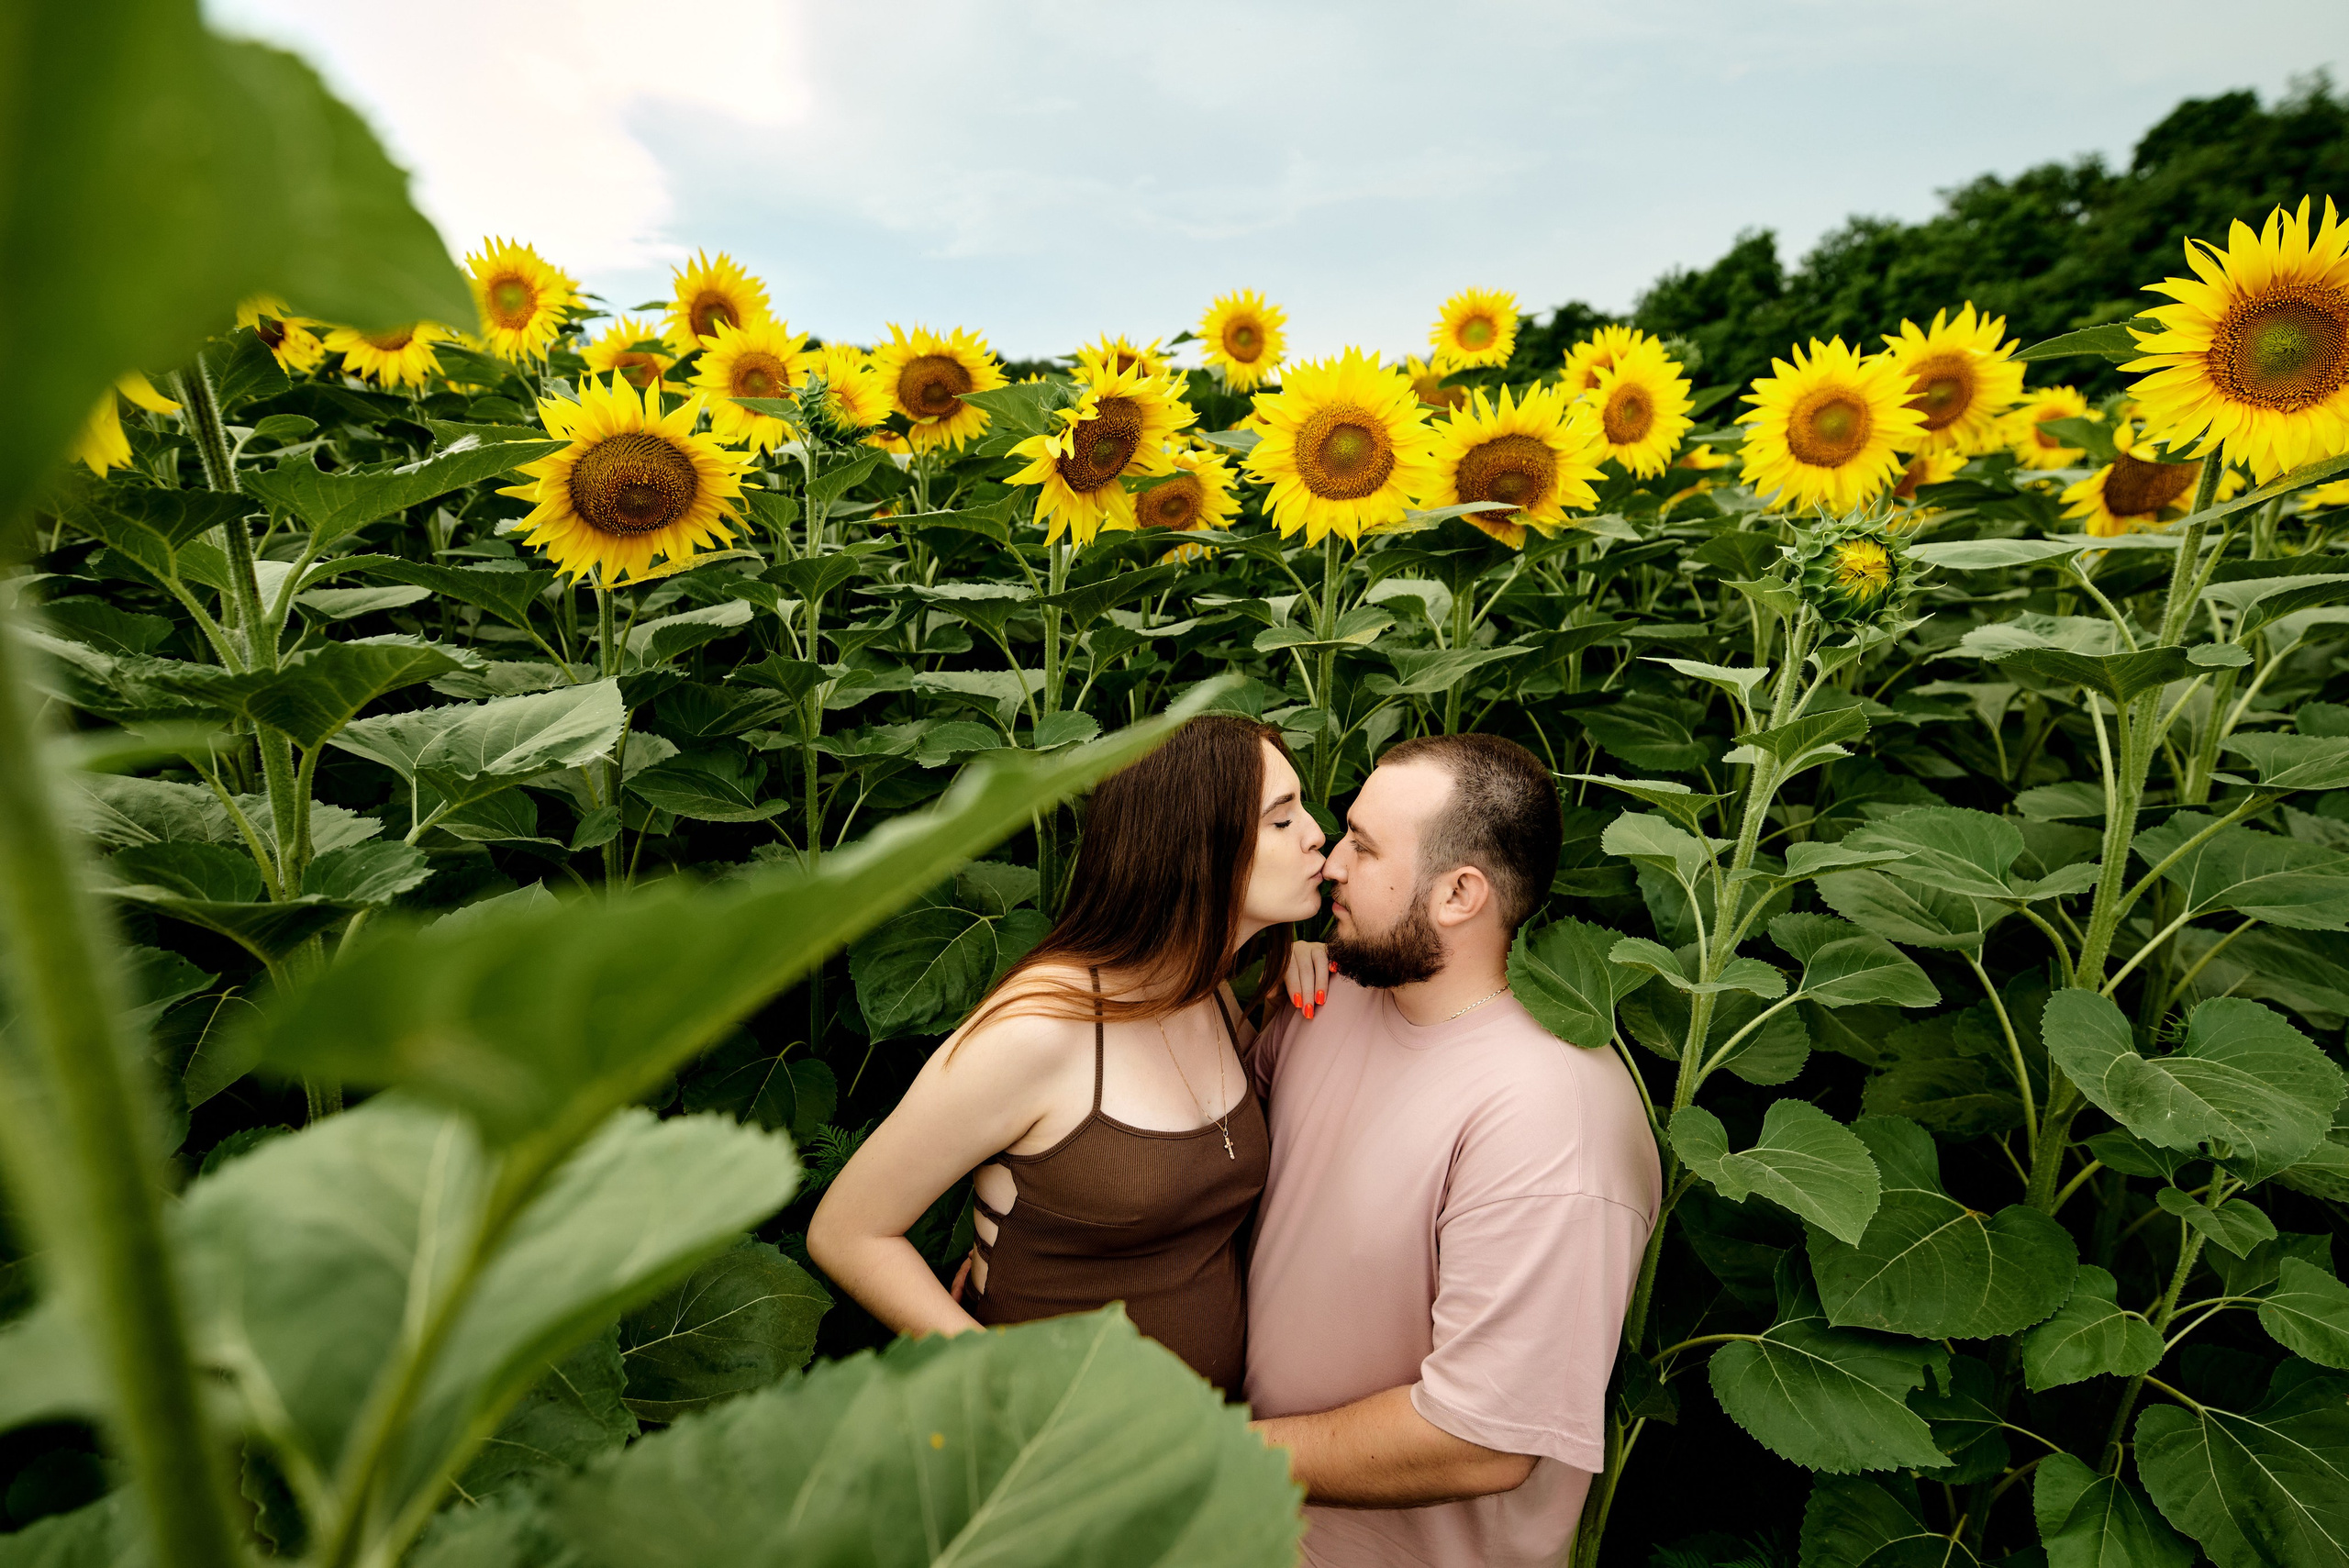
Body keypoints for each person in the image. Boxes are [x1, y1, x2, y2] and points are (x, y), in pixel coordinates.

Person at [807, 714, 1331, 1392]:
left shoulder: (1212, 998)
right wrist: (1006, 1388)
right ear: (1193, 846)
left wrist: (1300, 965)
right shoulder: (1039, 1030)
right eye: (1282, 820)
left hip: (1200, 1451)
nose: (1319, 832)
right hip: (1057, 1458)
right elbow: (848, 1231)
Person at [1245, 732, 1663, 1568]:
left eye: (1364, 847)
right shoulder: (1330, 998)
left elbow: (1480, 1437)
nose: (1330, 862)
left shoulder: (1550, 1117)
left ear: (1458, 892)